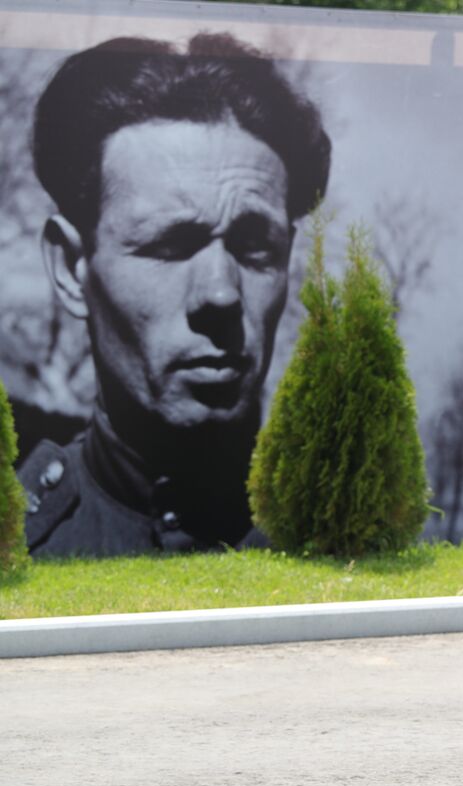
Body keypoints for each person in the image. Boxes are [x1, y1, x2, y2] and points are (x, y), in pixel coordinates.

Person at [17, 33, 331, 556]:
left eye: (254, 249)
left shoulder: (351, 555)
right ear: (72, 269)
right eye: (170, 245)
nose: (220, 294)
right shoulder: (19, 559)